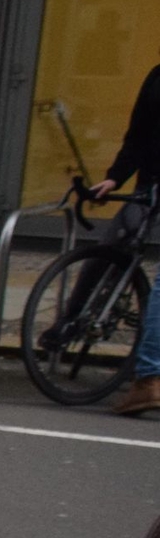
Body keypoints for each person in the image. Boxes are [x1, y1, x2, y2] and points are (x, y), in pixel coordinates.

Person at [97, 56, 160, 415]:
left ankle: (148, 380)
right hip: (149, 186)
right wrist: (116, 177)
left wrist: (117, 175)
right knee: (113, 249)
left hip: (150, 184)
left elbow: (138, 135)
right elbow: (139, 135)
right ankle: (149, 378)